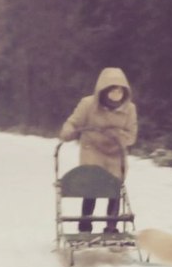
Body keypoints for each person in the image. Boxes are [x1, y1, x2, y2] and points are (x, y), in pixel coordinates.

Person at [59, 67, 138, 233]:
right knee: (92, 184)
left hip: (115, 152)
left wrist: (119, 136)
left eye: (120, 91)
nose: (116, 95)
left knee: (115, 186)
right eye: (112, 90)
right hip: (93, 148)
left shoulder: (129, 109)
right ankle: (85, 223)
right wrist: (68, 131)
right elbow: (73, 122)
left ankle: (111, 225)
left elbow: (132, 135)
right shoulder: (88, 104)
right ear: (103, 90)